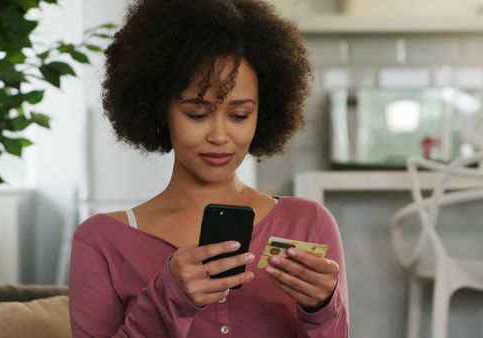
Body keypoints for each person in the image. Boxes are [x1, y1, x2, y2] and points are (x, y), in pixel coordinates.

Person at [69, 0, 349, 337]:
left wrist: (322, 311)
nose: (219, 136)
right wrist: (168, 297)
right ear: (161, 110)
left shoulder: (309, 224)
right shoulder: (101, 241)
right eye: (197, 114)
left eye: (239, 115)